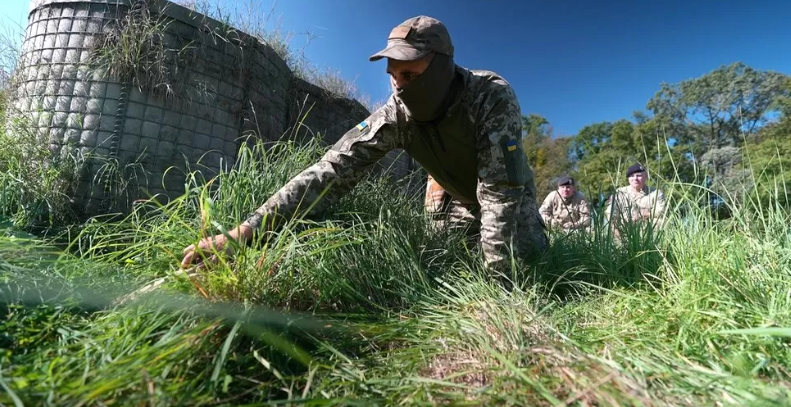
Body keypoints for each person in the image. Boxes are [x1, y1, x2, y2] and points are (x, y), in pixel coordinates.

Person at [181, 15, 548, 275]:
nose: (399, 86)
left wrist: (497, 282)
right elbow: (331, 170)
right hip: (456, 201)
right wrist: (246, 231)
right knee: (446, 266)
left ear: (441, 67)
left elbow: (500, 192)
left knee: (527, 267)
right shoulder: (395, 116)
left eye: (410, 74)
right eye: (392, 76)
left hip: (510, 200)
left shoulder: (490, 96)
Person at [604, 163, 666, 231]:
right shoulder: (619, 193)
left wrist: (642, 215)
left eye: (638, 176)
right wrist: (617, 234)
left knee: (660, 221)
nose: (635, 178)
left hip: (649, 230)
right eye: (632, 176)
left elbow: (661, 212)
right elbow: (611, 214)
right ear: (628, 178)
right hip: (625, 231)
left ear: (646, 177)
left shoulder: (656, 193)